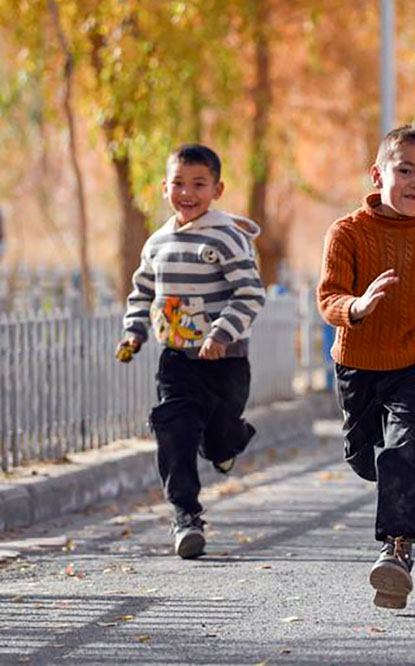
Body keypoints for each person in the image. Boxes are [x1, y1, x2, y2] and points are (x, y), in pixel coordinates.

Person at [317, 124, 415, 611]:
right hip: (359, 366)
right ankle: (414, 475)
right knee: (368, 462)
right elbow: (328, 298)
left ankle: (396, 551)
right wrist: (358, 306)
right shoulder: (347, 233)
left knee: (403, 449)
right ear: (378, 174)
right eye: (405, 170)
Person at [117, 144, 266, 560]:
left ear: (217, 189)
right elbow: (141, 292)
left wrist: (221, 334)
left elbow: (251, 293)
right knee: (174, 429)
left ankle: (227, 444)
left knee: (220, 437)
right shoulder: (157, 243)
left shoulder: (227, 237)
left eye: (198, 184)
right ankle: (186, 516)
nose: (187, 192)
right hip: (177, 359)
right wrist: (135, 332)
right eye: (178, 183)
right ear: (164, 186)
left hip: (225, 360)